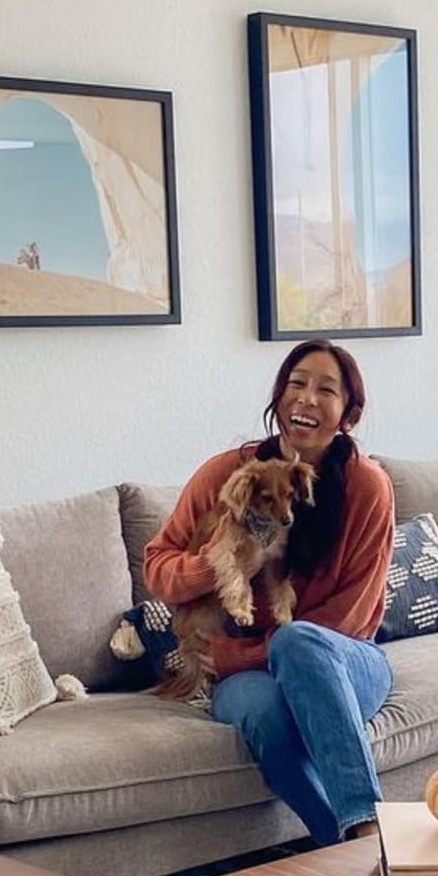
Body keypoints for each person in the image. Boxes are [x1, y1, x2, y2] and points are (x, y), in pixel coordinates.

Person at [144, 339, 395, 845]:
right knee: (264, 716)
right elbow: (157, 569)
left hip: (345, 657)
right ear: (279, 397)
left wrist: (254, 652)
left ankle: (368, 824)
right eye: (296, 384)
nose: (306, 398)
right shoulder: (227, 475)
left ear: (349, 412)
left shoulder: (368, 487)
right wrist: (221, 566)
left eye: (326, 390)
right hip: (244, 669)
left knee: (296, 642)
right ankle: (345, 846)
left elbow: (355, 614)